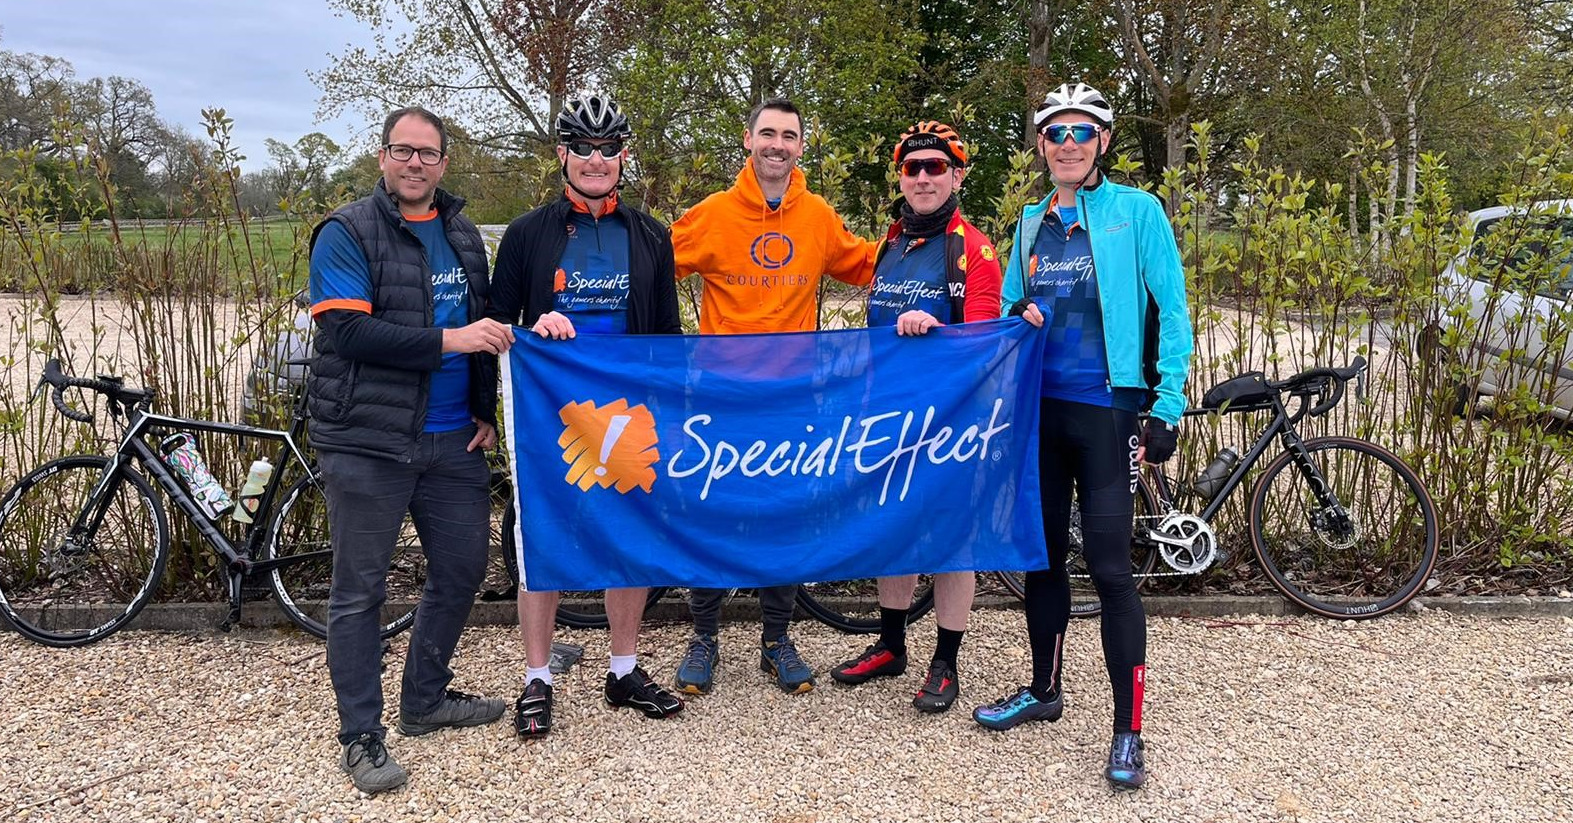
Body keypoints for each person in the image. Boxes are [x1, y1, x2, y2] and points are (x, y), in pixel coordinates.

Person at [974, 82, 1192, 791]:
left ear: (1100, 141)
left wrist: (1166, 402)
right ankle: (1044, 689)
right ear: (1041, 145)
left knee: (1108, 567)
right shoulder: (1031, 220)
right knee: (1040, 561)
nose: (1067, 145)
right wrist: (1017, 312)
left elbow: (1173, 306)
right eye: (1054, 134)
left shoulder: (1136, 211)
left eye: (1080, 133)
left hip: (1106, 408)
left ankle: (1128, 730)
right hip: (1041, 409)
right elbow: (1012, 302)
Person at [308, 106, 513, 795]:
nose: (415, 163)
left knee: (462, 568)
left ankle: (425, 698)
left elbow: (482, 319)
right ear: (382, 157)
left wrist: (483, 408)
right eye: (404, 151)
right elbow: (347, 335)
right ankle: (360, 734)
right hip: (369, 441)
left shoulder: (459, 232)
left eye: (428, 154)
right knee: (359, 590)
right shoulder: (345, 231)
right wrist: (451, 343)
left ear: (444, 163)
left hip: (453, 439)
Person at [488, 91, 685, 738]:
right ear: (561, 154)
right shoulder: (526, 234)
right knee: (541, 536)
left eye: (607, 149)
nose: (595, 160)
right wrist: (529, 326)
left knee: (625, 539)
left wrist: (676, 410)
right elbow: (492, 327)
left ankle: (623, 667)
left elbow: (667, 335)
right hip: (553, 416)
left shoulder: (651, 235)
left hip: (627, 416)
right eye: (582, 147)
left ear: (623, 156)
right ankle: (536, 677)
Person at [668, 97, 877, 695]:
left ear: (800, 147)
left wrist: (948, 259)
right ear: (748, 140)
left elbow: (871, 267)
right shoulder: (712, 214)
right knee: (712, 512)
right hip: (720, 399)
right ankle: (703, 636)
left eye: (788, 135)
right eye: (767, 134)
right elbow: (650, 268)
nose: (777, 145)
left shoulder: (816, 215)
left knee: (784, 516)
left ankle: (777, 639)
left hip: (792, 399)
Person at [827, 121, 1001, 714]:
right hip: (886, 415)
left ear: (957, 175)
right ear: (900, 177)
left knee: (953, 542)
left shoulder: (973, 250)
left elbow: (983, 344)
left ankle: (946, 661)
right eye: (912, 168)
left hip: (953, 419)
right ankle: (892, 644)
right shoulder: (890, 244)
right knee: (894, 531)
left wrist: (939, 331)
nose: (923, 177)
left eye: (935, 167)